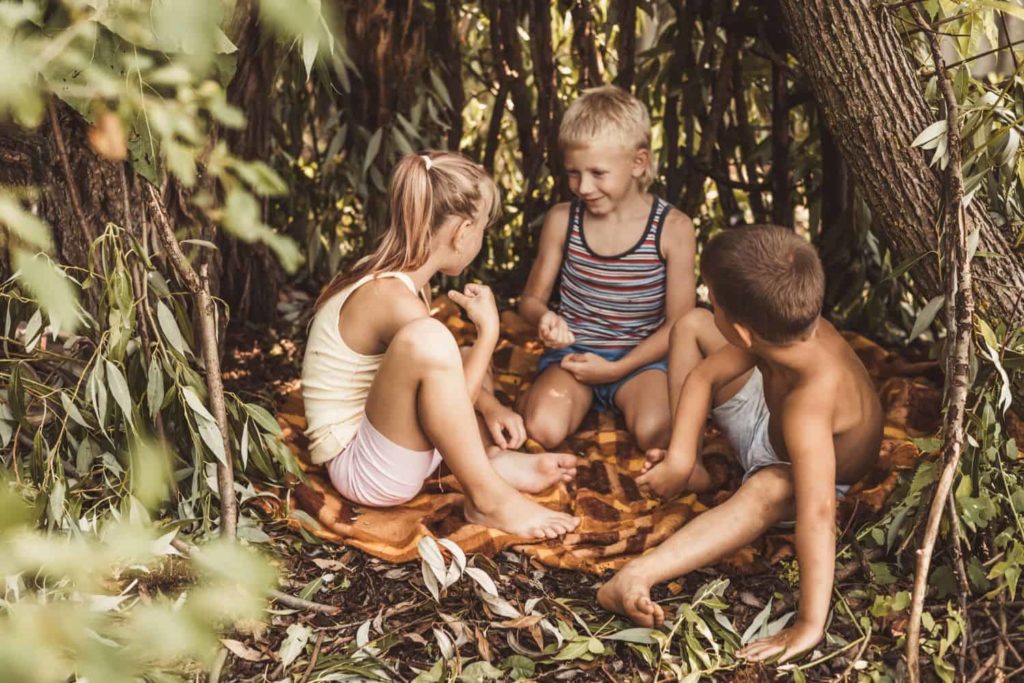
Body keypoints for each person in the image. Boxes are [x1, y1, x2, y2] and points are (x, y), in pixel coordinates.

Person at [598, 225, 883, 662]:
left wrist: (809, 623)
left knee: (768, 491)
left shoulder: (812, 400)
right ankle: (693, 470)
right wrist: (681, 456)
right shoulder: (785, 331)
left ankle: (635, 576)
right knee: (690, 324)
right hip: (765, 420)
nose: (708, 302)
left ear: (744, 332)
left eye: (713, 299)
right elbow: (705, 376)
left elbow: (819, 512)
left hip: (797, 470)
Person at [301, 151, 580, 539]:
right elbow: (452, 404)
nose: (480, 237)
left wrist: (493, 405)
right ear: (462, 232)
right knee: (434, 341)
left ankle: (489, 461)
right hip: (365, 472)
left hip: (378, 442)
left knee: (455, 353)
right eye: (483, 227)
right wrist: (489, 334)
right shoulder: (392, 298)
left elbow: (444, 392)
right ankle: (487, 497)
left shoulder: (400, 278)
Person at [517, 85, 696, 451]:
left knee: (658, 433)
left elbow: (680, 322)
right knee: (542, 429)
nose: (582, 187)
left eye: (598, 173)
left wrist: (616, 368)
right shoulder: (562, 220)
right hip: (574, 359)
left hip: (640, 363)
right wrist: (544, 320)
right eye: (573, 173)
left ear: (638, 162)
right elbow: (531, 299)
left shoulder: (673, 228)